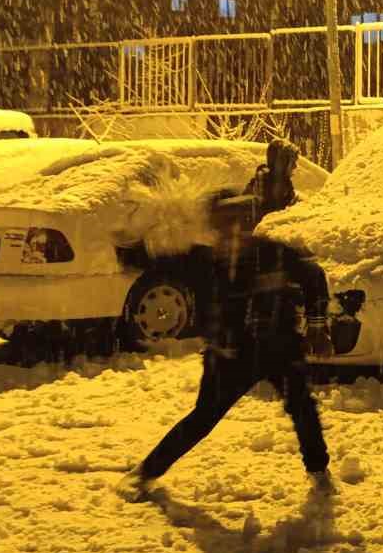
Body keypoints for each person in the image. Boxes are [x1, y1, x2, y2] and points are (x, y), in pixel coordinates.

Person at [120, 185, 336, 502]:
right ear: (214, 227)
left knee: (302, 407)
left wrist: (318, 326)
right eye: (226, 223)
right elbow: (152, 262)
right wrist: (128, 245)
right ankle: (145, 473)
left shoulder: (274, 254)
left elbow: (314, 277)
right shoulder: (200, 262)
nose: (236, 230)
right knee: (203, 418)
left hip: (280, 349)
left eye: (243, 221)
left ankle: (319, 473)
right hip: (228, 356)